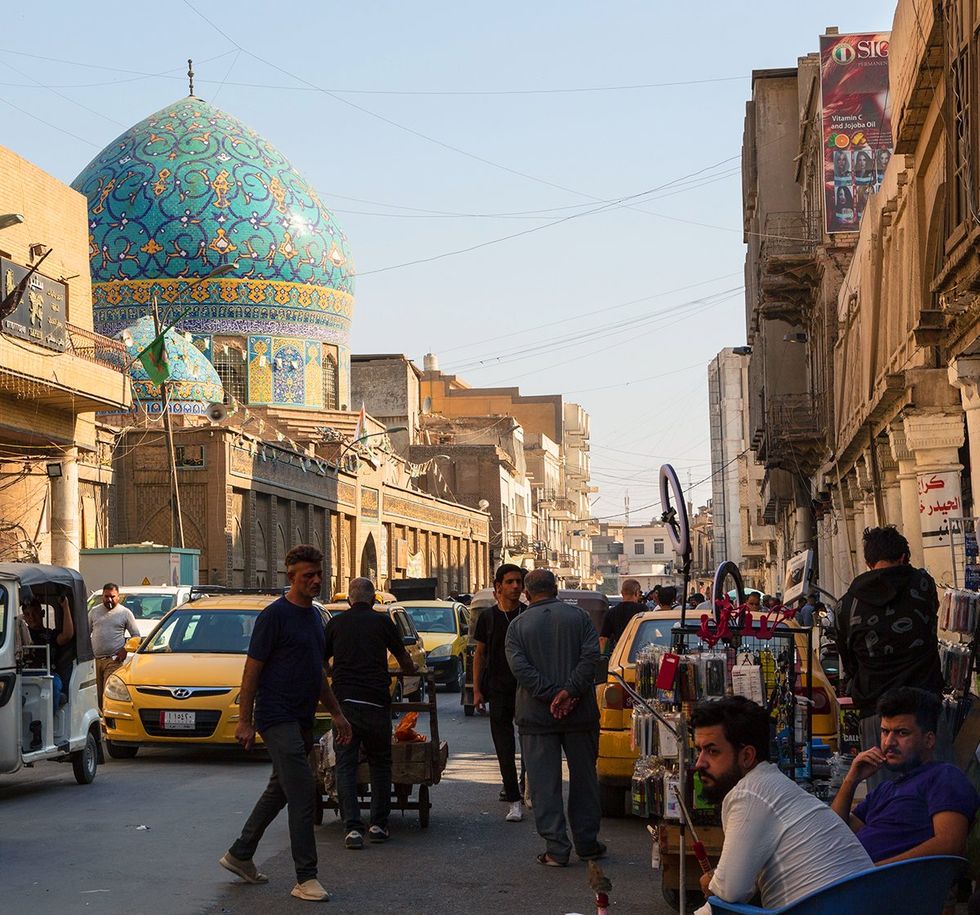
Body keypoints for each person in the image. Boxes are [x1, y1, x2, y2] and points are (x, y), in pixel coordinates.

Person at [222, 545, 351, 903]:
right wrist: (244, 721)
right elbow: (252, 670)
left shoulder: (314, 618)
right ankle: (305, 877)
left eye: (318, 574)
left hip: (301, 717)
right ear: (290, 576)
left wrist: (337, 713)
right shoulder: (274, 616)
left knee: (281, 787)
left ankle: (240, 853)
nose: (315, 580)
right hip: (275, 716)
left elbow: (318, 674)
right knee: (302, 790)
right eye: (307, 575)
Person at [691, 696, 871, 913]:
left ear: (747, 756)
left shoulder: (750, 792)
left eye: (712, 751)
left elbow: (730, 890)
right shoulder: (772, 786)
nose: (699, 763)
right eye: (699, 750)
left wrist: (711, 882)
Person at [505, 568, 604, 867]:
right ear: (556, 589)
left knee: (544, 784)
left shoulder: (518, 626)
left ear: (527, 593)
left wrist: (551, 694)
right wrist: (570, 691)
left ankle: (557, 849)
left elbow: (519, 668)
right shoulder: (580, 618)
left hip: (536, 717)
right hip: (580, 714)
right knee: (585, 780)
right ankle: (587, 844)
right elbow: (591, 658)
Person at [831, 687, 978, 864]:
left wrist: (873, 871)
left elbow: (950, 845)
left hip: (883, 884)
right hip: (844, 876)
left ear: (929, 740)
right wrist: (851, 780)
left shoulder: (943, 777)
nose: (889, 742)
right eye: (885, 731)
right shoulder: (885, 789)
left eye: (902, 733)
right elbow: (835, 832)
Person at [325, 576, 418, 851]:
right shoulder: (382, 622)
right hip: (376, 704)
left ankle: (352, 829)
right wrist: (411, 671)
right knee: (380, 763)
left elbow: (321, 661)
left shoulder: (335, 623)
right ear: (374, 598)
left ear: (350, 599)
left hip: (345, 707)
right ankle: (378, 825)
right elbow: (404, 659)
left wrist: (333, 673)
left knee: (345, 764)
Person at [837, 527, 943, 760]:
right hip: (924, 712)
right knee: (937, 790)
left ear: (867, 562)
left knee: (886, 794)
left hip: (877, 717)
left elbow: (850, 663)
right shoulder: (923, 584)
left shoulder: (846, 605)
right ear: (904, 558)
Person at [473, 564, 527, 821]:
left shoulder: (528, 615)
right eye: (510, 582)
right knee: (504, 746)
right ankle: (514, 799)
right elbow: (479, 655)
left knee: (529, 742)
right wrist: (476, 691)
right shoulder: (487, 618)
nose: (515, 586)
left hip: (527, 689)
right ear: (498, 587)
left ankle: (526, 786)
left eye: (518, 582)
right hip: (498, 689)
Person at [88, 583, 140, 712]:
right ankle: (101, 723)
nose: (109, 599)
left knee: (108, 692)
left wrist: (125, 650)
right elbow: (85, 633)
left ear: (118, 596)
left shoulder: (125, 613)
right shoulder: (94, 611)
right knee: (97, 695)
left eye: (112, 596)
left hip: (113, 660)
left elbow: (136, 636)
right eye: (106, 596)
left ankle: (110, 720)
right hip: (95, 661)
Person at [598, 578, 644, 655]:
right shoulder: (643, 610)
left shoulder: (612, 612)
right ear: (636, 593)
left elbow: (603, 639)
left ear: (622, 593)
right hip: (638, 652)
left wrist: (602, 657)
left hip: (619, 653)